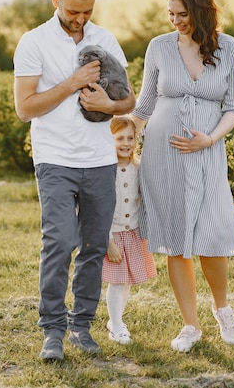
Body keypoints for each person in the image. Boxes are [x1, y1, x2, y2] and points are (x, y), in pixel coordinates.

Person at [13, 0, 136, 362]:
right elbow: (24, 108)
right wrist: (72, 82)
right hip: (55, 160)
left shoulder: (106, 40)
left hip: (100, 161)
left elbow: (128, 100)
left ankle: (81, 326)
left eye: (87, 11)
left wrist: (109, 107)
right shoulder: (34, 42)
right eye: (73, 11)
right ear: (55, 1)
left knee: (95, 246)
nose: (80, 18)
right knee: (59, 242)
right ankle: (52, 331)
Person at [131, 0, 234, 353]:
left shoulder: (229, 49)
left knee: (212, 233)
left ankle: (223, 308)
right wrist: (122, 129)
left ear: (201, 11)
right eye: (170, 14)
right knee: (176, 241)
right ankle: (190, 325)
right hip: (163, 158)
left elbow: (233, 108)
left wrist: (209, 139)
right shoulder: (159, 48)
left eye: (182, 14)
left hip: (208, 153)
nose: (175, 21)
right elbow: (145, 105)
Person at [102, 115, 157, 345]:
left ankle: (117, 319)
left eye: (130, 138)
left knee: (126, 281)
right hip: (113, 235)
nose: (126, 143)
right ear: (109, 140)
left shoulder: (138, 167)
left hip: (133, 233)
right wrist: (107, 241)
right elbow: (98, 208)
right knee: (116, 281)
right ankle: (115, 325)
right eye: (120, 138)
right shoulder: (104, 170)